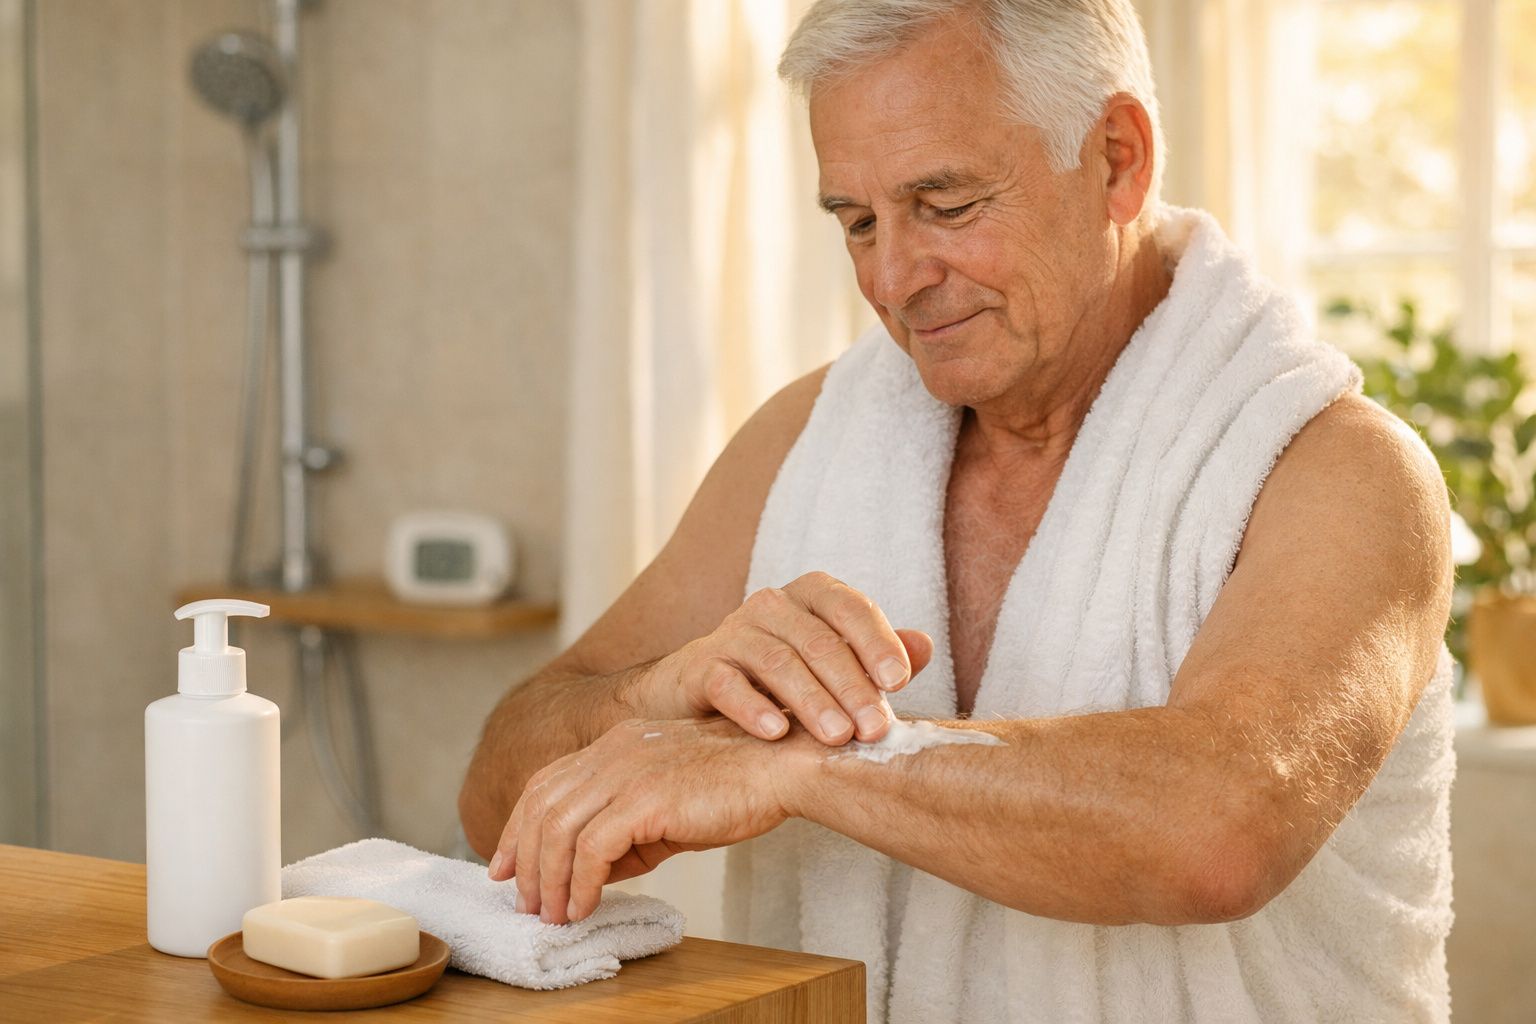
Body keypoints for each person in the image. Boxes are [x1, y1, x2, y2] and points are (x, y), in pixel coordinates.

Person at [459, 2, 1455, 1020]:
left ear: (1117, 158)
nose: (893, 280)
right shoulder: (805, 442)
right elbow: (497, 803)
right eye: (857, 222)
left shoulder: (1338, 472)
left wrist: (800, 762)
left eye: (945, 204)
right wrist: (654, 697)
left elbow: (1219, 833)